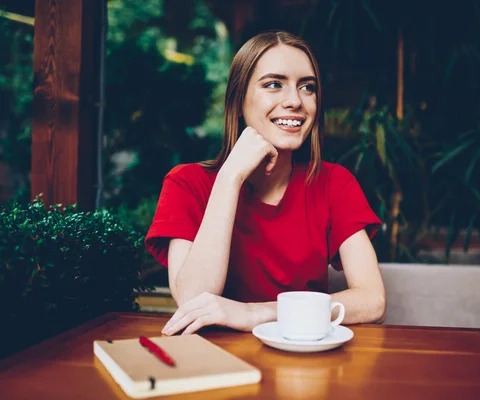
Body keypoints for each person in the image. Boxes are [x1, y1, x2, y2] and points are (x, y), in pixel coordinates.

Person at [145, 31, 386, 336]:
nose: (295, 101)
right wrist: (230, 177)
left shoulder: (333, 183)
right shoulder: (186, 183)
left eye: (307, 87)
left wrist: (256, 313)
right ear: (239, 98)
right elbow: (193, 301)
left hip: (306, 358)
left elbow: (372, 300)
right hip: (219, 360)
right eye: (274, 85)